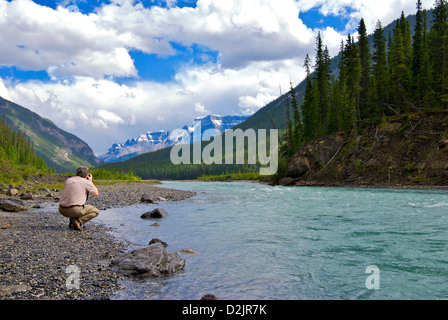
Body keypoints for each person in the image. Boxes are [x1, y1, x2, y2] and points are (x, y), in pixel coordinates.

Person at [58, 166, 99, 231]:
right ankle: (78, 221)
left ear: (77, 173)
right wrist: (90, 181)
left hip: (62, 209)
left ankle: (72, 222)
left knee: (74, 200)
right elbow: (96, 193)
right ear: (86, 175)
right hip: (74, 210)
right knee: (95, 211)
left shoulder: (69, 180)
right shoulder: (86, 182)